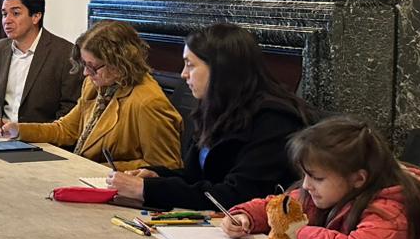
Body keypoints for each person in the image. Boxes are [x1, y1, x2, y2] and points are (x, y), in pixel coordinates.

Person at [221, 116, 420, 239]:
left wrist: (295, 233)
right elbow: (280, 207)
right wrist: (245, 216)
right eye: (305, 175)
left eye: (317, 178)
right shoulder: (324, 193)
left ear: (358, 179)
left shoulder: (394, 208)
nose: (306, 185)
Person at [108, 23, 313, 208]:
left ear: (219, 68)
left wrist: (146, 189)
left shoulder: (274, 120)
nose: (183, 74)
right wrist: (156, 176)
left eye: (190, 65)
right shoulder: (217, 107)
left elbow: (238, 195)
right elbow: (197, 177)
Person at [0, 20, 182, 172]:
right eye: (84, 64)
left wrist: (100, 169)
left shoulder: (148, 102)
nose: (85, 73)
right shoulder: (96, 85)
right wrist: (18, 130)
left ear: (119, 63)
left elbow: (166, 167)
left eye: (92, 67)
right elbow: (66, 130)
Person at [0, 0, 81, 128]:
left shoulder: (65, 53)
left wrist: (32, 134)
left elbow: (70, 109)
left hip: (42, 137)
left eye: (15, 13)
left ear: (36, 17)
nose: (7, 20)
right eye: (4, 14)